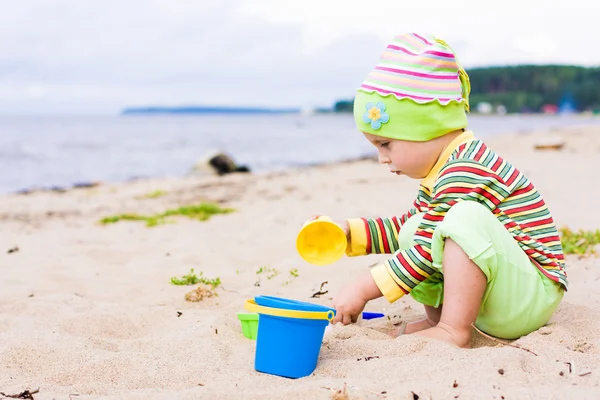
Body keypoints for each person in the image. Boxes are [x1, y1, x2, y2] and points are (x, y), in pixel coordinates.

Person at [315, 33, 567, 348]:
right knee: (415, 227)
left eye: (386, 144)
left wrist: (363, 287)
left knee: (462, 218)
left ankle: (453, 329)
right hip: (501, 292)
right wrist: (349, 233)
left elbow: (423, 253)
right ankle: (441, 320)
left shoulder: (466, 168)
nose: (382, 158)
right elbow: (413, 234)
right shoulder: (442, 170)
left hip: (529, 297)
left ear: (426, 128)